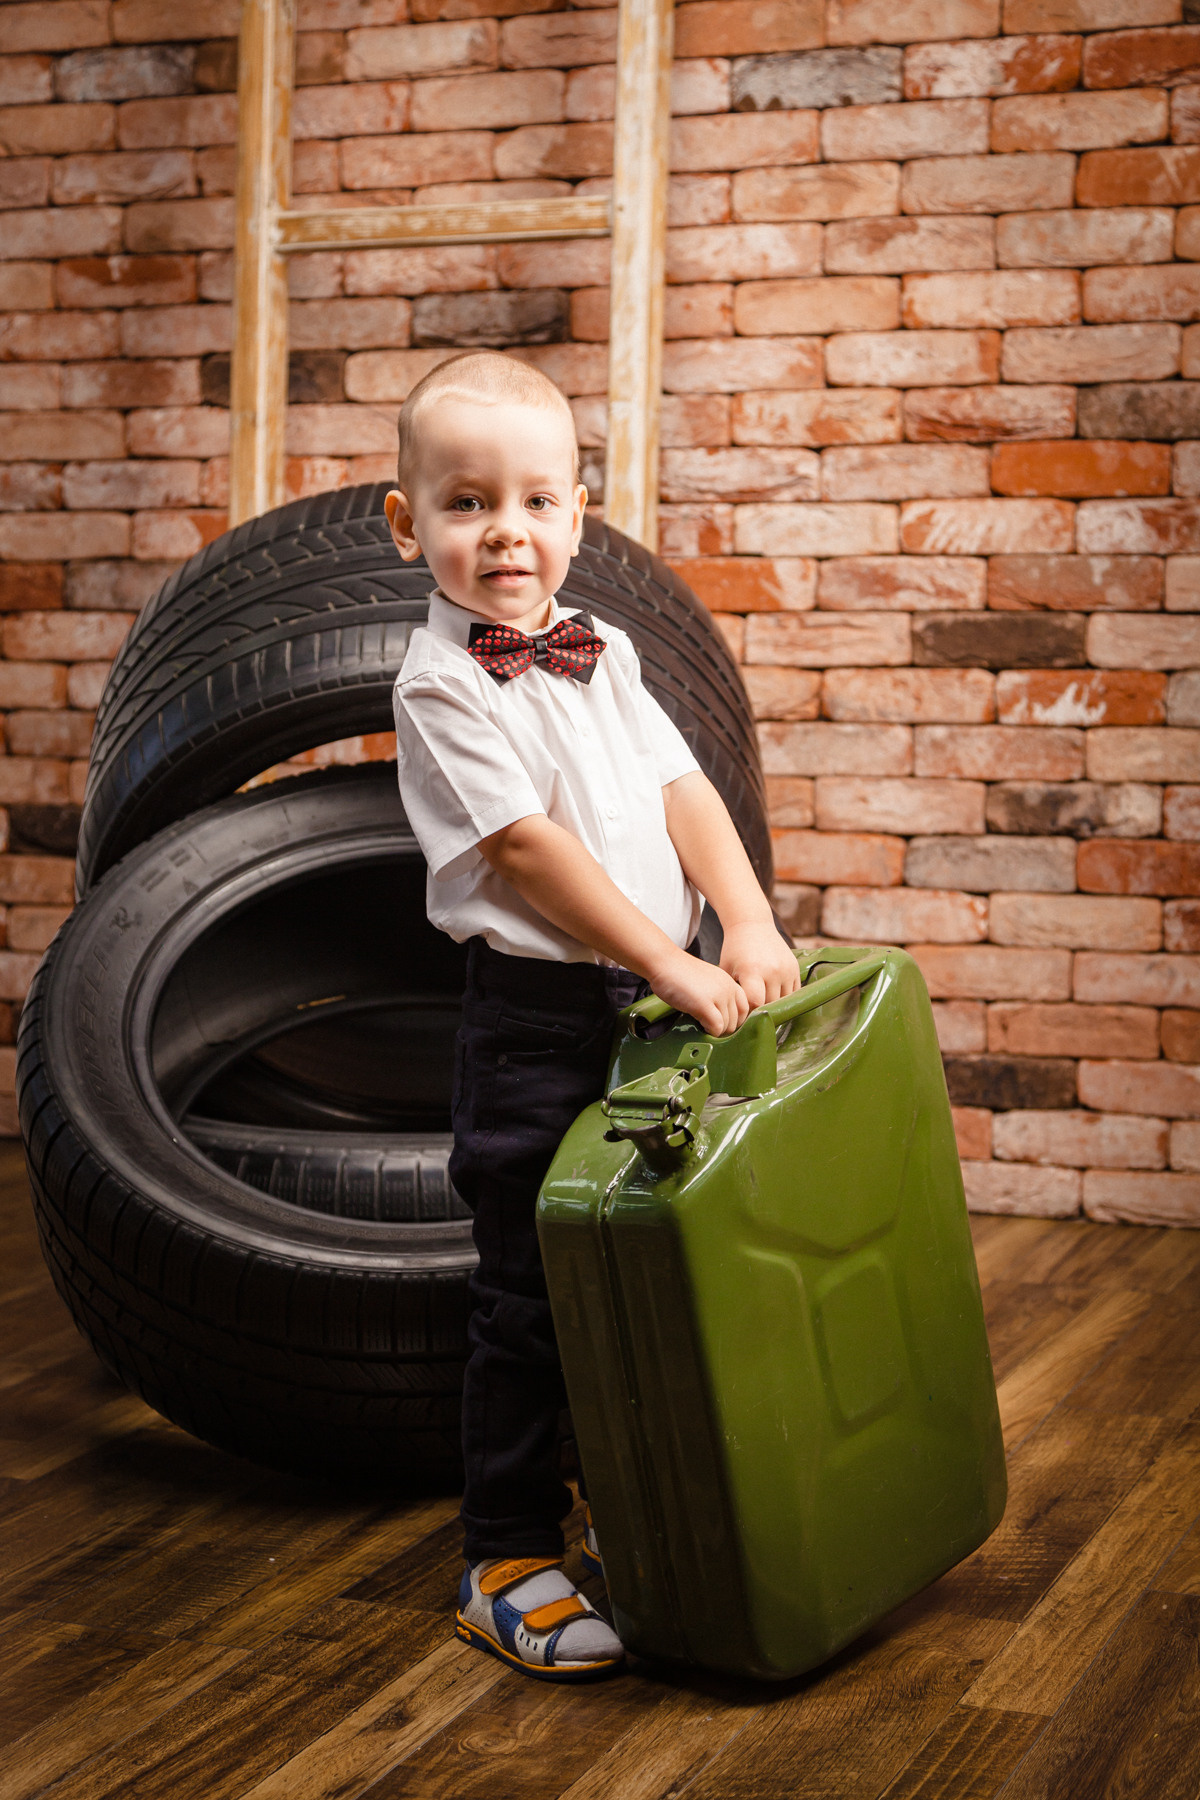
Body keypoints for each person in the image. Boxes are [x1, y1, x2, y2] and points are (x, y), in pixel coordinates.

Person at [387, 350, 798, 1682]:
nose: (505, 531)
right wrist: (670, 962)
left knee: (656, 1266)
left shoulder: (604, 646)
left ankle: (637, 1506)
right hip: (539, 1023)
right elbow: (526, 851)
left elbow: (683, 790)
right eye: (466, 503)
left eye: (534, 501)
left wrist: (746, 920)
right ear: (408, 524)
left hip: (657, 1004)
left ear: (579, 512)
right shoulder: (440, 683)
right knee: (531, 1295)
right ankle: (506, 1556)